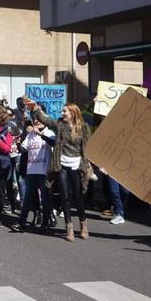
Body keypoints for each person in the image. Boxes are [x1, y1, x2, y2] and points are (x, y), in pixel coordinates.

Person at [25, 99, 93, 242]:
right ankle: (69, 227)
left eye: (64, 111)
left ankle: (83, 223)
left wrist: (90, 165)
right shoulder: (59, 125)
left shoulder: (84, 127)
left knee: (78, 196)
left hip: (77, 164)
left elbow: (89, 147)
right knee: (64, 196)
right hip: (61, 163)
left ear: (73, 113)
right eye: (62, 111)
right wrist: (34, 107)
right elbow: (45, 119)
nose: (62, 113)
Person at [12, 119, 54, 233]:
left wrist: (41, 135)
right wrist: (18, 142)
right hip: (31, 170)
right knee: (27, 198)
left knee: (45, 199)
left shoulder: (50, 133)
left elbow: (54, 143)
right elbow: (23, 150)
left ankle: (45, 223)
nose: (37, 122)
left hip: (44, 171)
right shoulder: (30, 134)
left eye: (40, 119)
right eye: (35, 120)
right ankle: (22, 222)